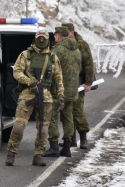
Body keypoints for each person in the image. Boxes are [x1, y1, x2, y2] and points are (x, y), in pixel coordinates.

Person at [5, 30, 65, 166]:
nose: (42, 40)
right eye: (40, 38)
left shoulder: (53, 58)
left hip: (46, 95)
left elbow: (59, 78)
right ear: (36, 39)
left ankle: (38, 155)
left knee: (43, 128)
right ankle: (11, 154)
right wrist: (29, 82)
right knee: (19, 126)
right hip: (27, 94)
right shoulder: (26, 55)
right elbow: (17, 71)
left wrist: (61, 95)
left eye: (44, 38)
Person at [43, 25, 81, 157]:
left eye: (55, 36)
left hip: (57, 90)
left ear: (58, 36)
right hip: (72, 90)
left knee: (52, 117)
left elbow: (49, 69)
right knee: (68, 118)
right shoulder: (76, 50)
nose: (54, 38)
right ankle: (66, 147)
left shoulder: (57, 50)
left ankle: (53, 147)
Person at [60, 22, 94, 149]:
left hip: (78, 82)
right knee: (65, 112)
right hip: (64, 83)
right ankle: (70, 139)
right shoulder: (62, 44)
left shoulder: (81, 44)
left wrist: (88, 83)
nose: (65, 35)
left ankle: (83, 138)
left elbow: (89, 64)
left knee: (77, 110)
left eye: (66, 32)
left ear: (72, 32)